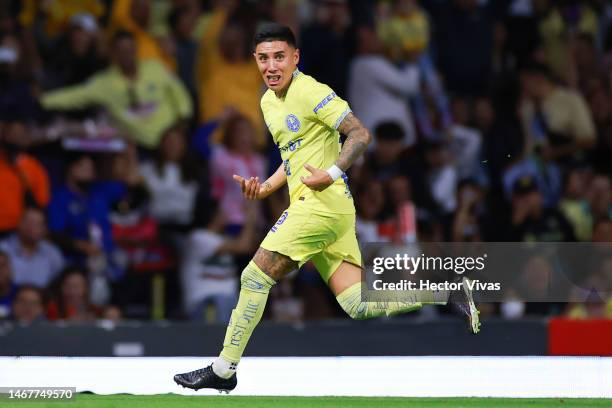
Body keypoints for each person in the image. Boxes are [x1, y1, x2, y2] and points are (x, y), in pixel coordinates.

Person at [173, 23, 481, 393]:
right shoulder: (268, 102)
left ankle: (224, 369)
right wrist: (267, 187)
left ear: (295, 57)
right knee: (357, 303)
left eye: (279, 57)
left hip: (322, 204)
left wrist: (332, 172)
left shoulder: (311, 91)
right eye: (264, 58)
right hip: (324, 207)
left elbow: (360, 134)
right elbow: (293, 157)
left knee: (254, 277)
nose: (271, 66)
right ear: (256, 61)